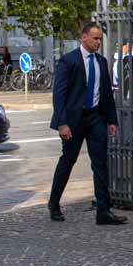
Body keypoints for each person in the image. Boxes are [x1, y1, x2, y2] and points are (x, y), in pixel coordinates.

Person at [48, 22, 126, 225]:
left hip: (95, 118)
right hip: (74, 120)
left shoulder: (101, 62)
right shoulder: (68, 61)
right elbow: (59, 95)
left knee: (100, 163)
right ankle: (54, 203)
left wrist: (111, 120)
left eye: (100, 38)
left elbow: (106, 93)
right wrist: (62, 123)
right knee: (68, 161)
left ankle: (104, 211)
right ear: (83, 37)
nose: (98, 42)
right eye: (95, 38)